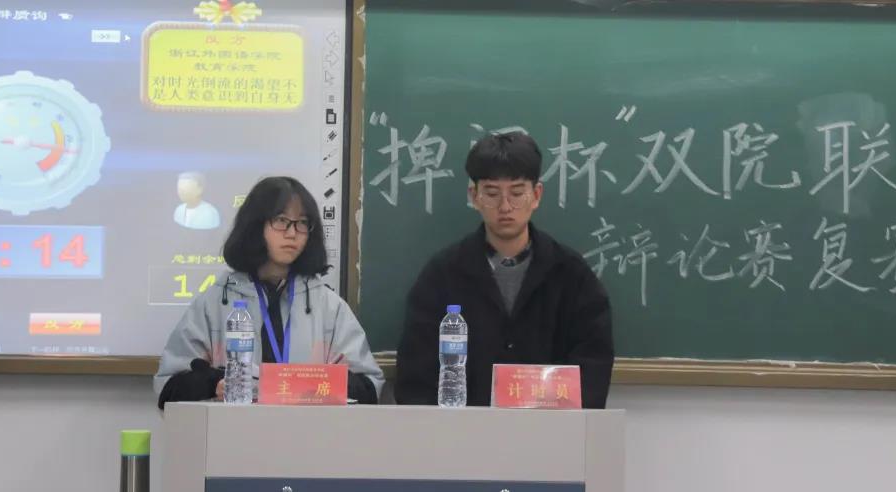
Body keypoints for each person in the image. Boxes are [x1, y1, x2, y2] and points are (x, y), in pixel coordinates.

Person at [394, 132, 614, 408]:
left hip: (550, 430)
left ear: (536, 195)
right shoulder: (442, 274)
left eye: (517, 193)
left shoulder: (571, 275)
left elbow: (593, 366)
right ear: (474, 196)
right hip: (463, 430)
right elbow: (416, 374)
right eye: (492, 194)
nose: (505, 206)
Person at [155, 176, 383, 408]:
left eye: (302, 223)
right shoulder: (215, 302)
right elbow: (168, 388)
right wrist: (214, 383)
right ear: (255, 226)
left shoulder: (328, 306)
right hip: (234, 429)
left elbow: (369, 387)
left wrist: (312, 383)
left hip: (309, 429)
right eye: (281, 220)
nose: (292, 233)